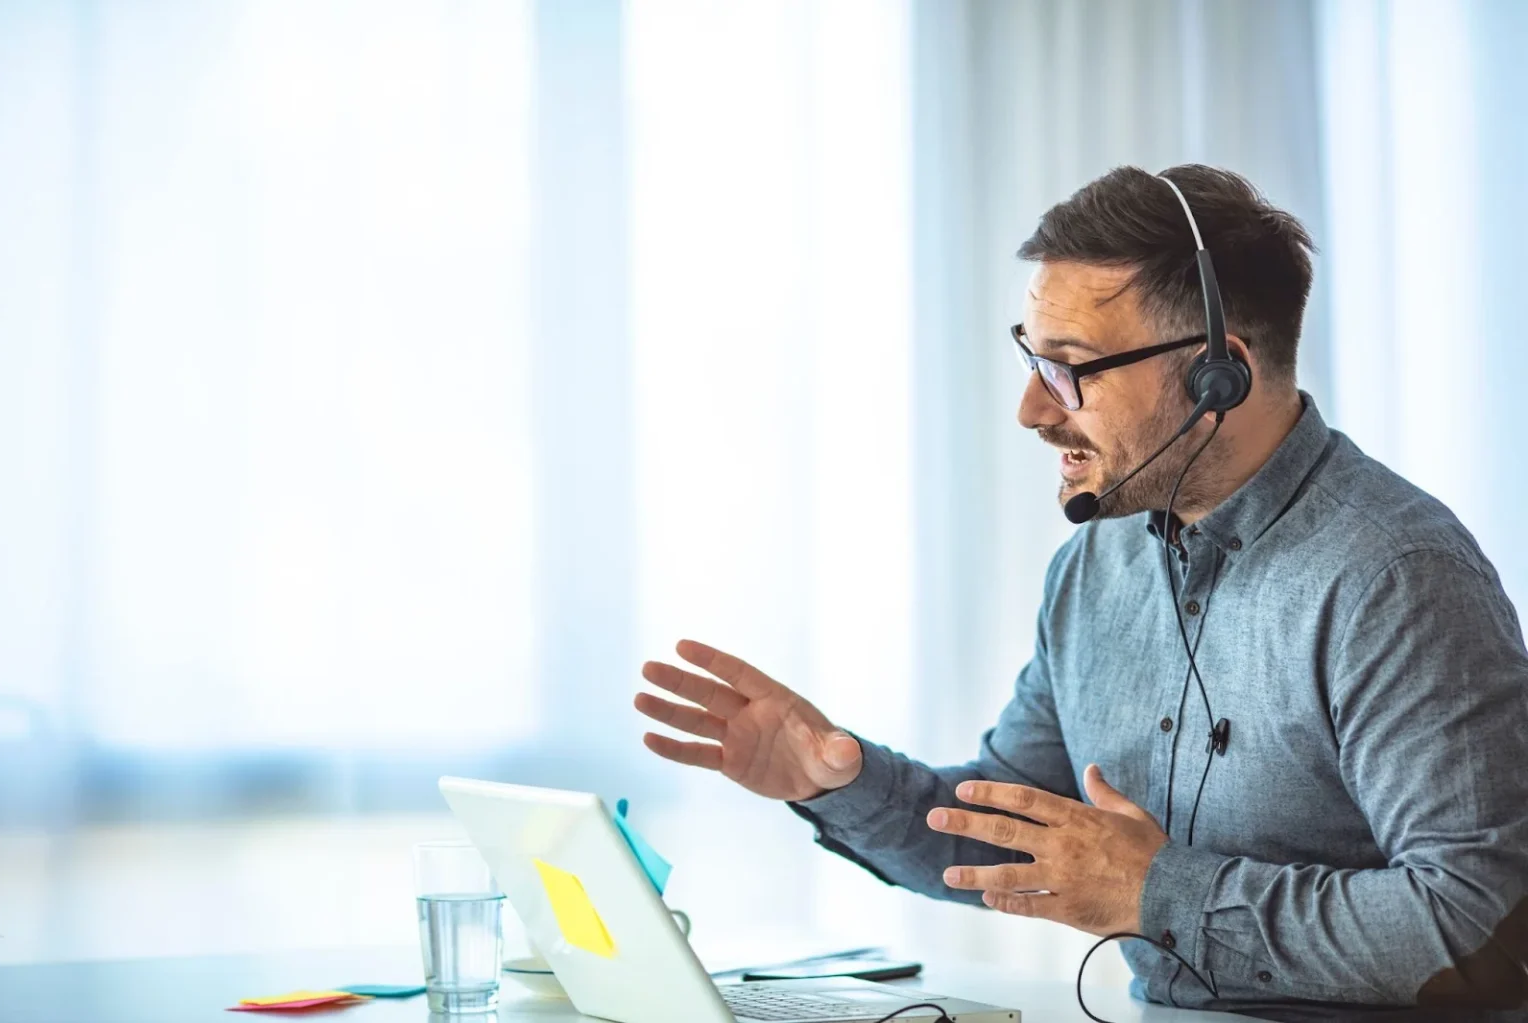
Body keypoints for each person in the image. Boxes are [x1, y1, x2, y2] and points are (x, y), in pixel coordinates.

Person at [632, 164, 1528, 1021]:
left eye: (1070, 365)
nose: (1032, 407)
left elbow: (1484, 930)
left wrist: (1156, 890)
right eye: (1032, 357)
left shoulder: (1393, 577)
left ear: (1221, 373)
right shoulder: (1097, 567)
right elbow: (1020, 836)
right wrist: (836, 779)